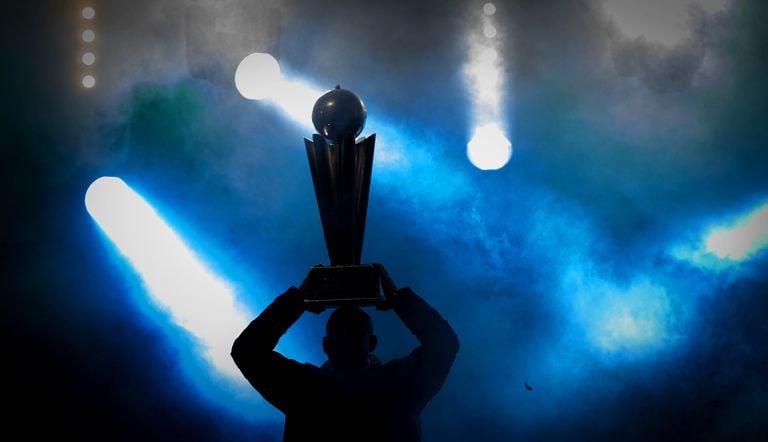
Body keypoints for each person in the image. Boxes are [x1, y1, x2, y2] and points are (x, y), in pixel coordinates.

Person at [231, 263, 459, 442]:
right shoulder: (398, 386)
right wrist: (399, 298)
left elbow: (247, 350)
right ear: (372, 344)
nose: (347, 338)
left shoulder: (304, 390)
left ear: (326, 346)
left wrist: (297, 300)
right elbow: (444, 343)